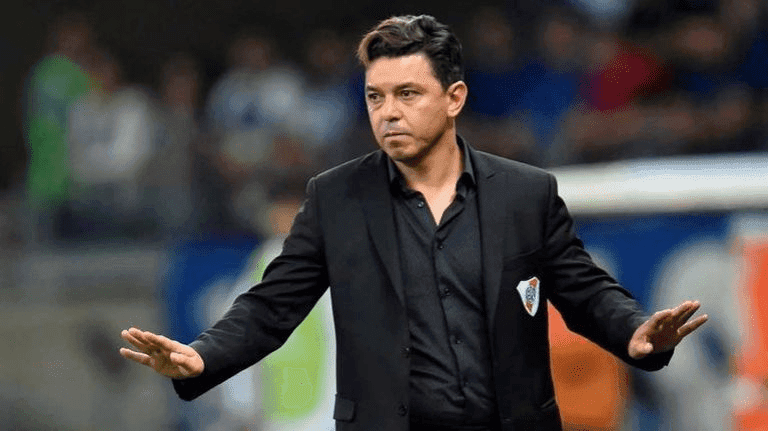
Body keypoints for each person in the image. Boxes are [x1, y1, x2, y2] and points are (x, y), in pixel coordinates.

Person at [120, 15, 708, 431]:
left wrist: (633, 332)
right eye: (375, 97)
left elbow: (583, 289)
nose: (389, 113)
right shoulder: (336, 199)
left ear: (454, 98)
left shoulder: (525, 194)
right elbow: (272, 304)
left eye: (407, 93)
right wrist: (203, 357)